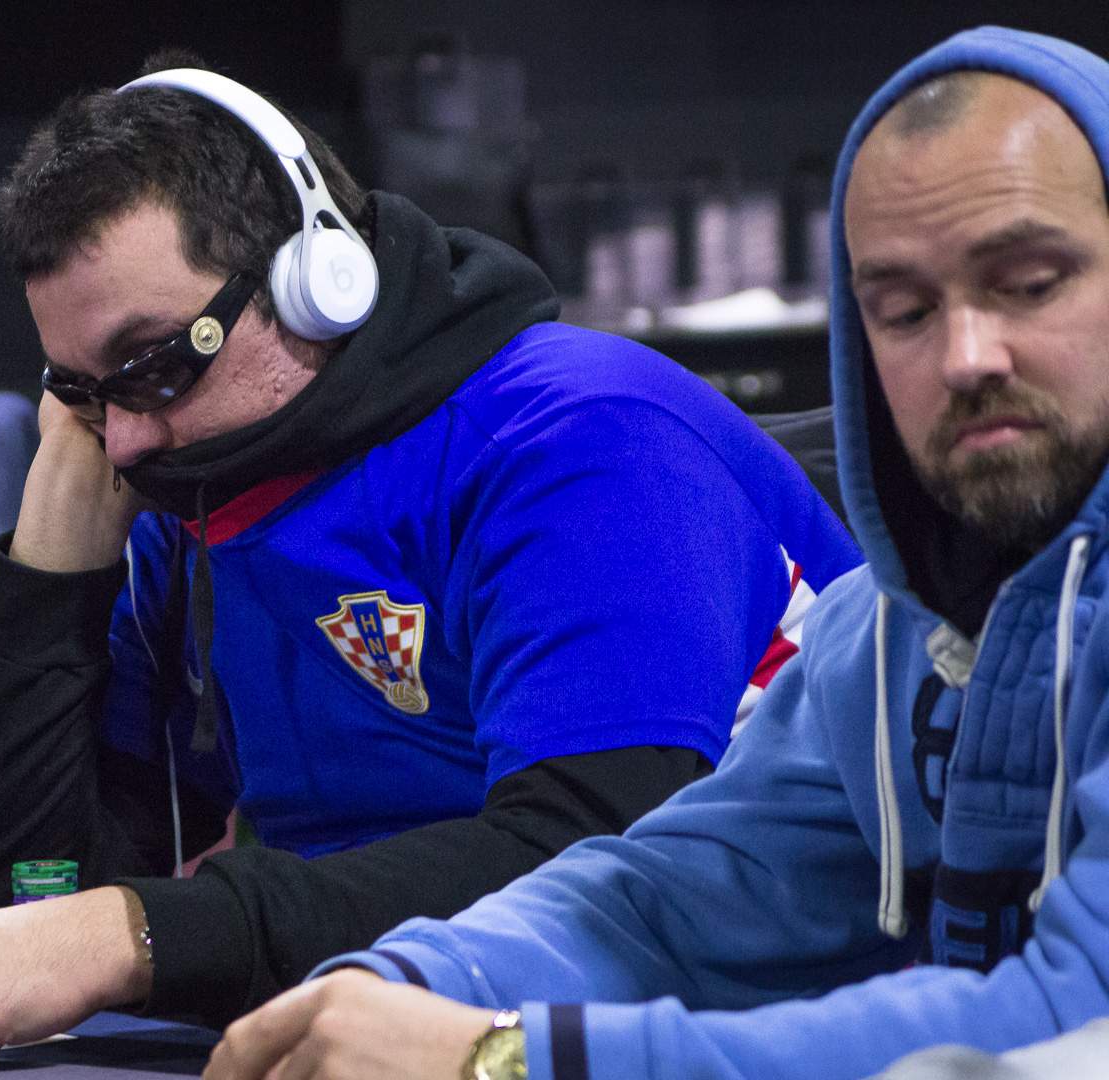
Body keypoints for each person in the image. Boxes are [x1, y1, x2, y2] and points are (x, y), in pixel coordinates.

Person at [0, 55, 859, 1067]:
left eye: (153, 367)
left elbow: (595, 878)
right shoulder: (184, 499)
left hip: (724, 1025)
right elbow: (4, 918)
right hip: (375, 1027)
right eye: (83, 391)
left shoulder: (584, 439)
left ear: (317, 281)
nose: (126, 443)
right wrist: (52, 570)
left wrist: (140, 934)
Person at [204, 26, 1109, 1080]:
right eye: (904, 311)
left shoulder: (587, 437)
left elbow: (1077, 1018)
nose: (965, 357)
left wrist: (504, 1056)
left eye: (1030, 284)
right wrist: (399, 985)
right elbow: (663, 900)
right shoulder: (883, 632)